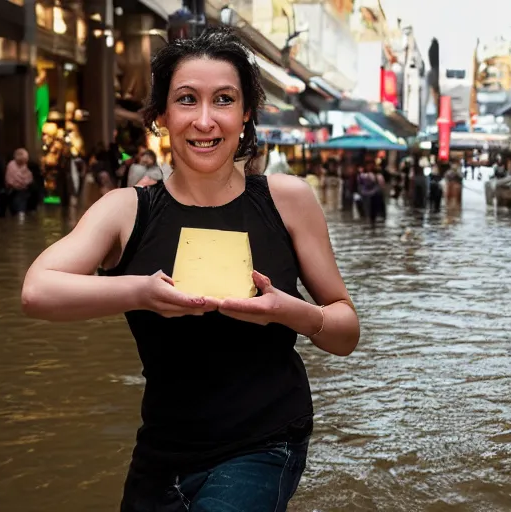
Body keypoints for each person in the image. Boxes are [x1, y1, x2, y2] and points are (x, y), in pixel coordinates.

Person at [21, 27, 360, 511]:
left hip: (264, 441)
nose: (205, 120)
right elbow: (36, 291)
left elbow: (345, 331)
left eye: (223, 100)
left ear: (245, 115)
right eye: (186, 100)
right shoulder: (125, 210)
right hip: (162, 448)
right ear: (161, 116)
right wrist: (140, 292)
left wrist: (289, 312)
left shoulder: (288, 201)